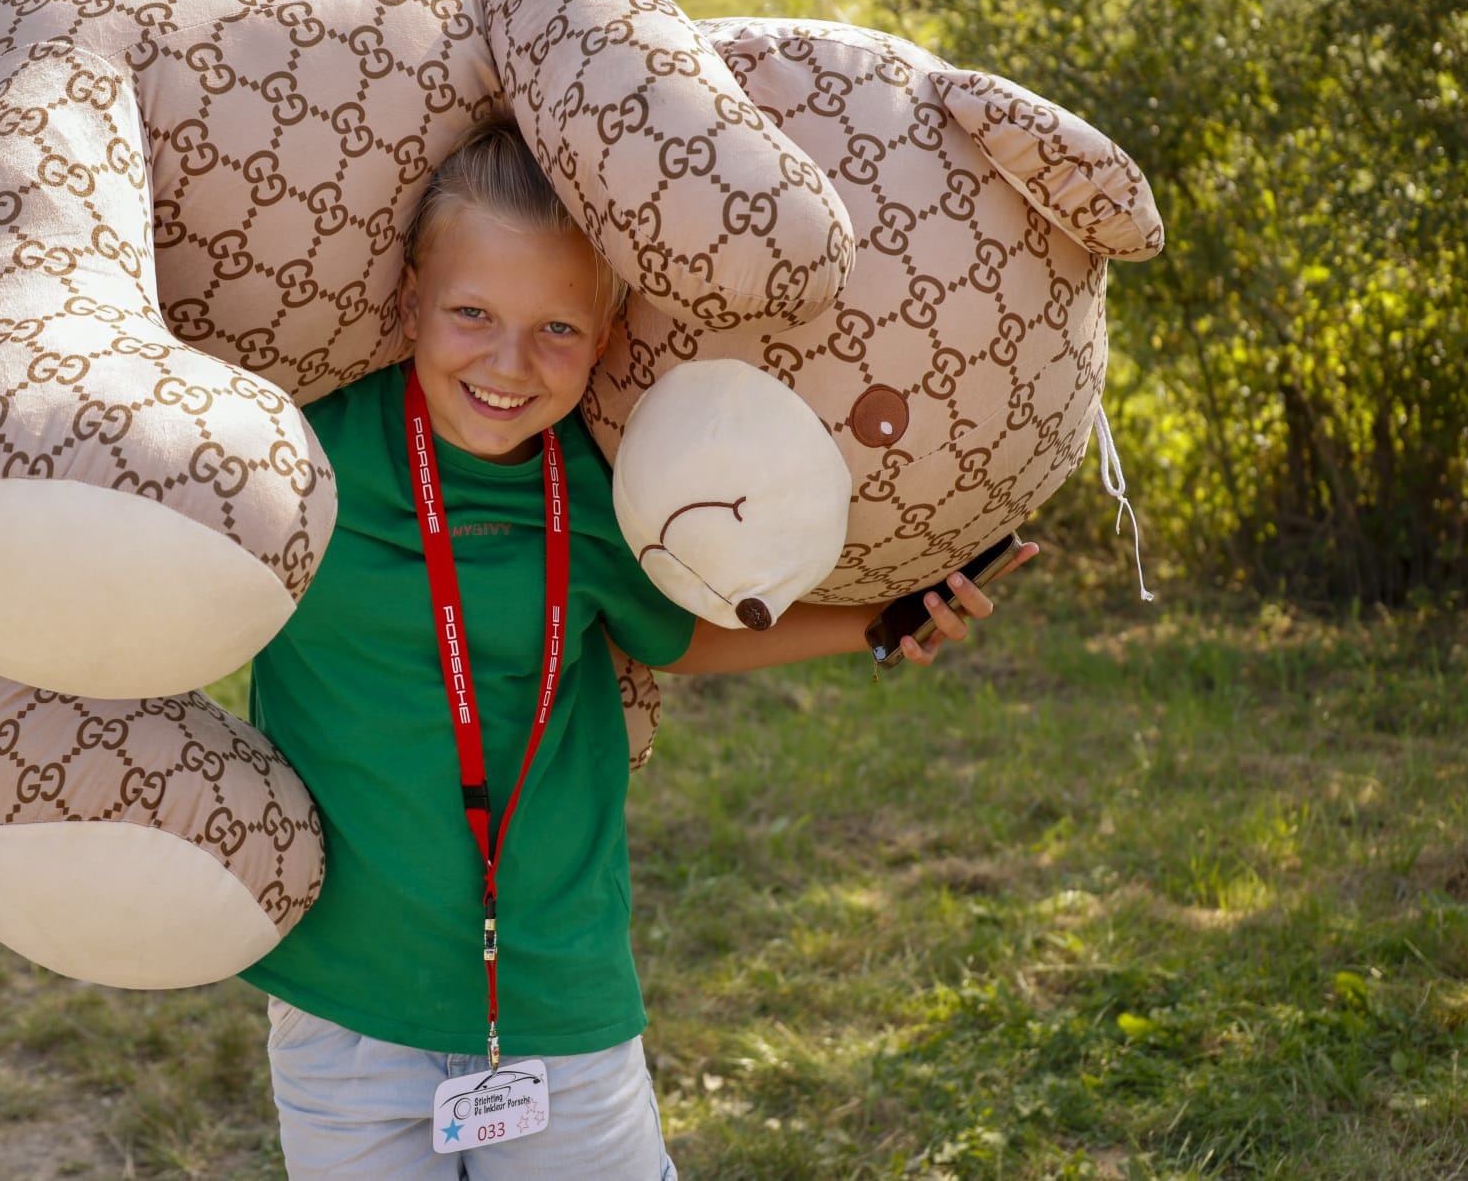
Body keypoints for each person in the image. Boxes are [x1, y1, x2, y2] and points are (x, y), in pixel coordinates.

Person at [240, 114, 1035, 1179]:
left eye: (557, 329)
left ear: (606, 337)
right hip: (343, 1003)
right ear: (408, 305)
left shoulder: (602, 486)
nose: (508, 363)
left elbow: (683, 634)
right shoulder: (295, 449)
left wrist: (872, 624)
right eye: (470, 312)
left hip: (553, 994)